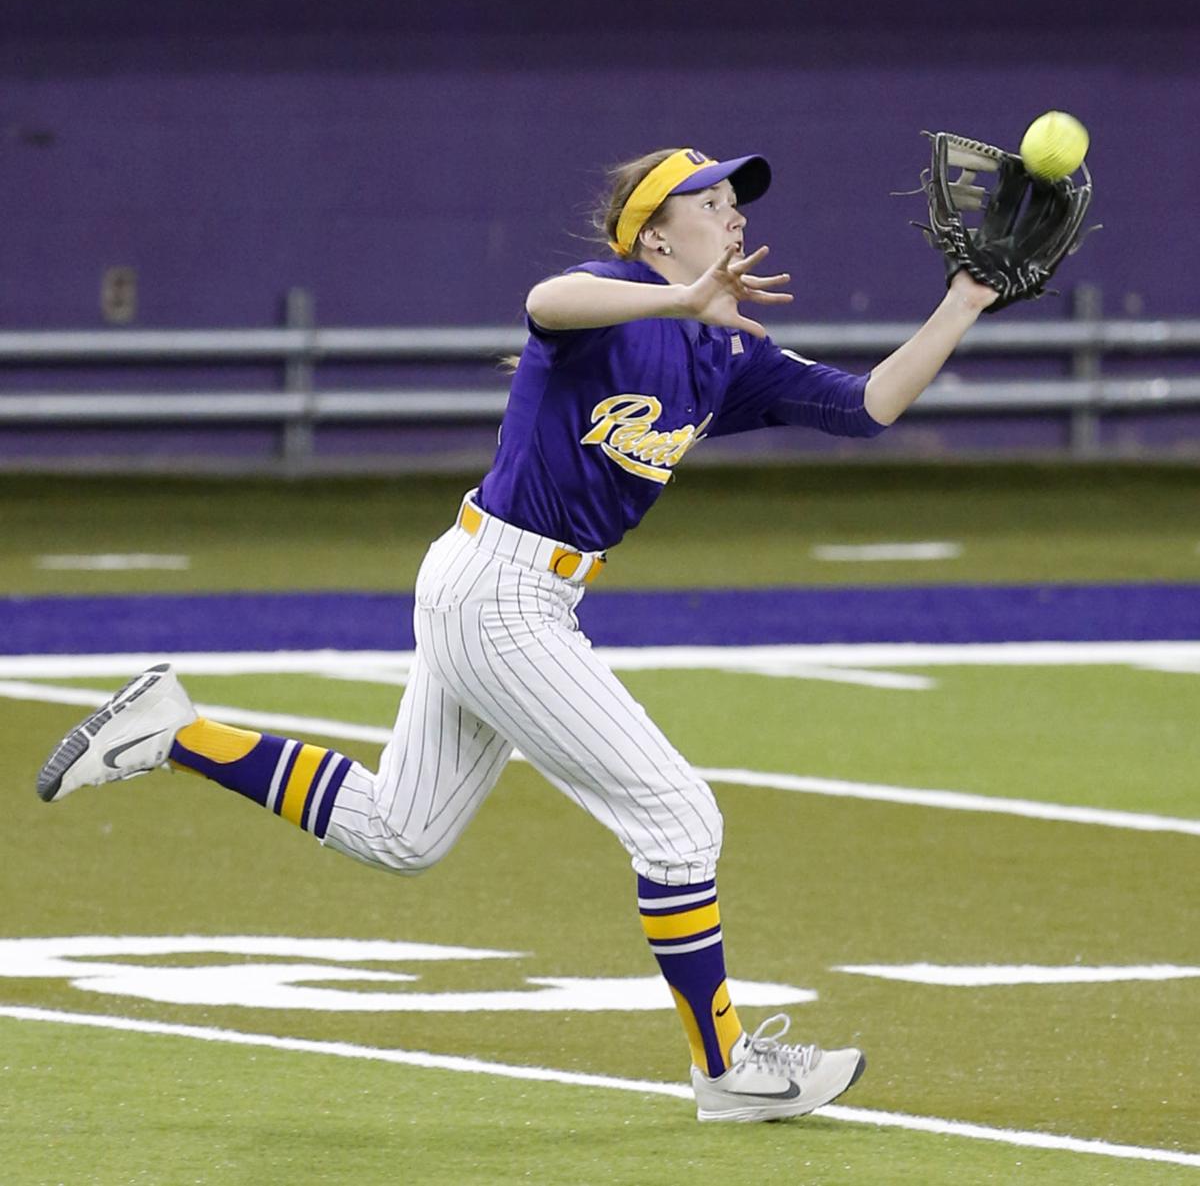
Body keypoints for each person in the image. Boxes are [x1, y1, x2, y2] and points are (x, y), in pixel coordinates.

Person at [37, 146, 998, 1122]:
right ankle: (727, 1069)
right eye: (707, 199)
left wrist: (965, 299)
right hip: (500, 591)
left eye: (733, 199)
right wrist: (673, 299)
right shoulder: (617, 299)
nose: (732, 212)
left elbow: (871, 405)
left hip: (502, 589)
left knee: (400, 832)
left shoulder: (725, 348)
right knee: (679, 817)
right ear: (653, 234)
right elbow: (549, 297)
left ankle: (174, 730)